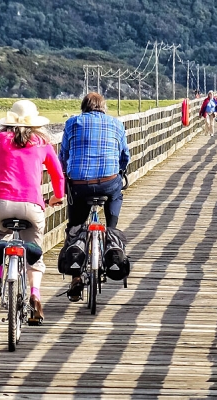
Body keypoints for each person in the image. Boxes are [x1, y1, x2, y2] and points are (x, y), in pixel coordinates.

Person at [0, 100, 65, 322]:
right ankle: (35, 297)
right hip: (32, 206)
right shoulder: (42, 142)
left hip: (1, 205)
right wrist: (57, 197)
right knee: (34, 251)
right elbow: (58, 175)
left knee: (0, 233)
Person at [59, 92, 130, 301]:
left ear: (84, 107)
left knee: (75, 226)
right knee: (116, 193)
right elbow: (125, 156)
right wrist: (121, 170)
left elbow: (63, 156)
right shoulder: (116, 124)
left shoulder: (72, 123)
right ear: (103, 107)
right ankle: (111, 231)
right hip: (108, 183)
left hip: (79, 185)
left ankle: (75, 279)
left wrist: (66, 176)